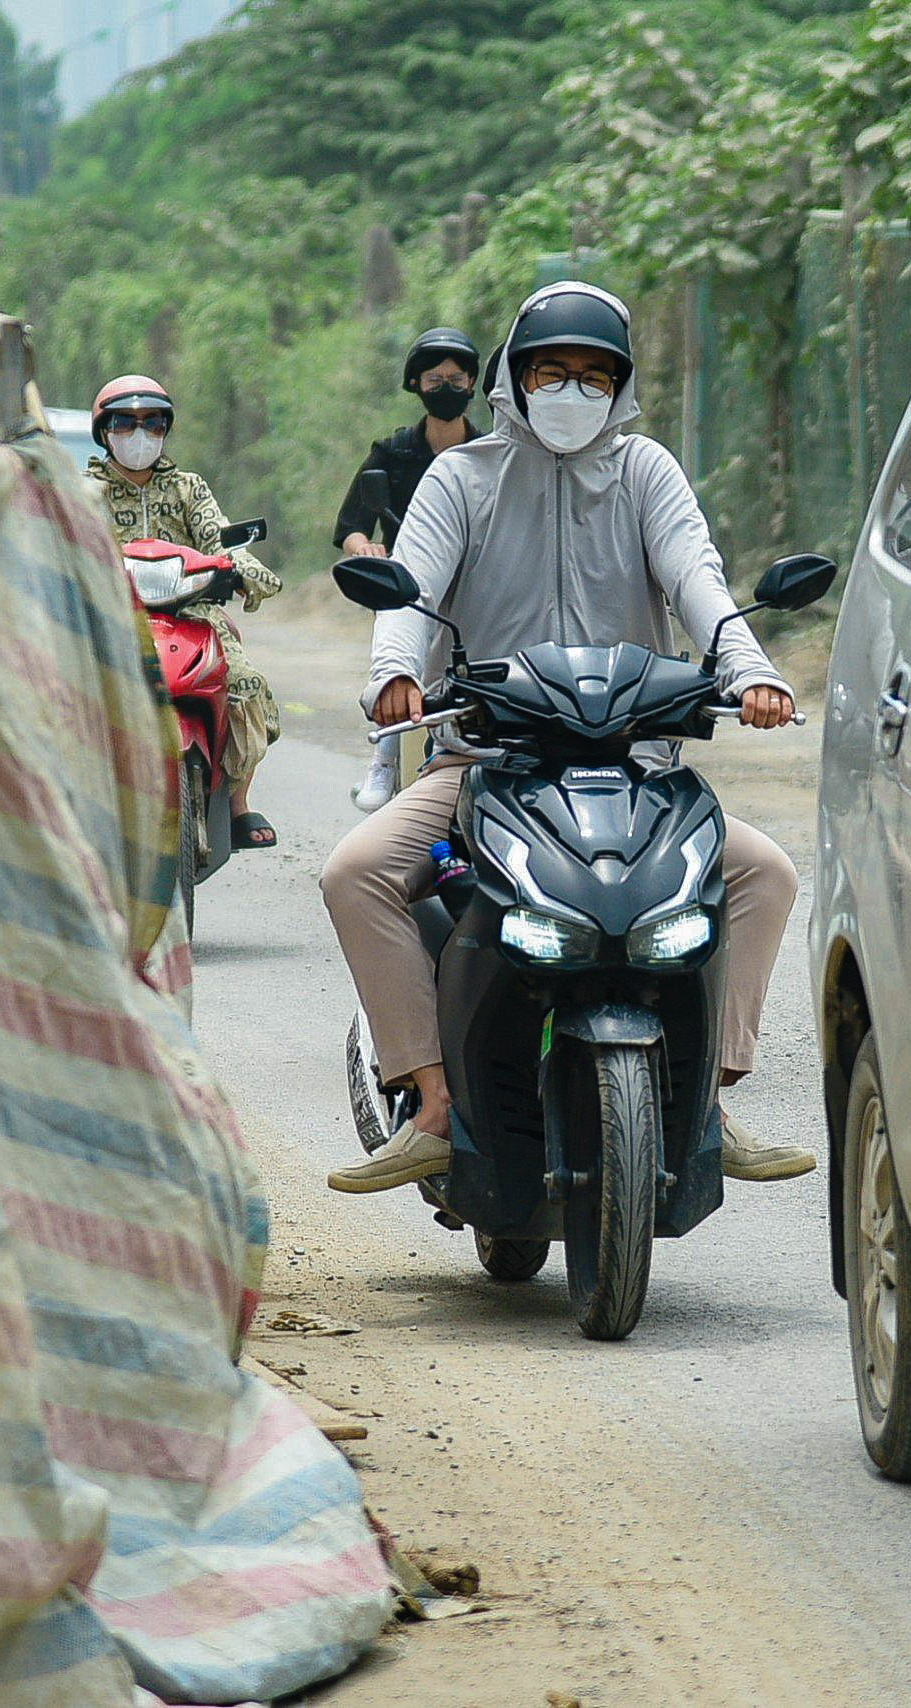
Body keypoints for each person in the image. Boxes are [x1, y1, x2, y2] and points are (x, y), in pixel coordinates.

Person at [319, 281, 815, 1192]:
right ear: (515, 374)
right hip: (483, 761)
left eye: (596, 376)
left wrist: (752, 673)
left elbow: (697, 579)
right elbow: (410, 587)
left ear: (621, 389)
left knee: (764, 874)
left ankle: (709, 1099)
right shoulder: (460, 478)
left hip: (637, 764)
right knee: (355, 875)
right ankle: (430, 1099)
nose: (573, 392)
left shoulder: (646, 473)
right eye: (554, 371)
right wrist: (394, 673)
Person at [88, 372, 285, 849]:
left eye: (152, 423)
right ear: (104, 431)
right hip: (109, 617)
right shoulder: (84, 493)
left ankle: (237, 804)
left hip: (193, 615)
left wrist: (243, 570)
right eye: (126, 422)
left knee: (247, 684)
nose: (140, 434)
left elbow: (219, 537)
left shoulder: (188, 488)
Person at [334, 326, 483, 812]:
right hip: (409, 588)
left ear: (473, 385)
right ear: (416, 385)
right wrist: (367, 551)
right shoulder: (393, 453)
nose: (446, 387)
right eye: (435, 378)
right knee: (401, 659)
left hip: (478, 588)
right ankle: (385, 753)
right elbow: (352, 526)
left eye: (457, 378)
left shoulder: (491, 455)